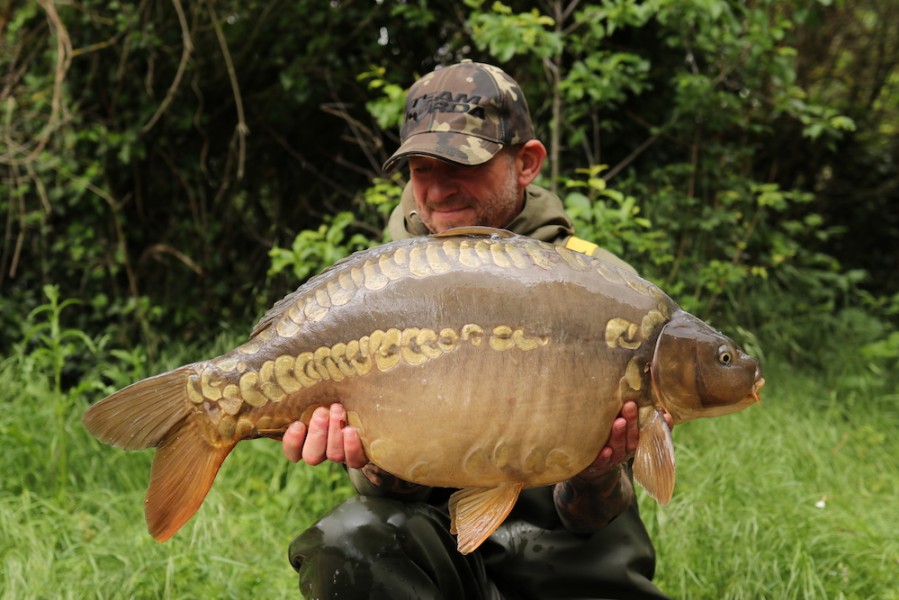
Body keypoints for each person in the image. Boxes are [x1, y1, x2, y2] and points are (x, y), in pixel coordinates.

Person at [281, 60, 670, 599]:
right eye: (420, 168)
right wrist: (367, 456)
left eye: (460, 163)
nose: (438, 191)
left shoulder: (605, 290)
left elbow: (597, 513)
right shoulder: (376, 292)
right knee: (348, 542)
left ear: (527, 162)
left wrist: (595, 472)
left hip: (573, 570)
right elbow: (389, 494)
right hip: (443, 561)